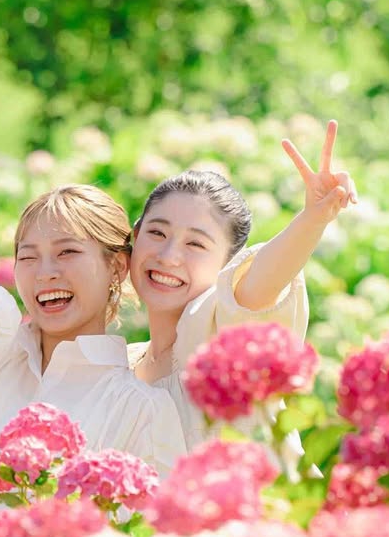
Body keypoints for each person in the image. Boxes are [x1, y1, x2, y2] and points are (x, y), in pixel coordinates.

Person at [0, 167, 186, 502]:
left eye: (66, 252)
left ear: (116, 266)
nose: (44, 273)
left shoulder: (139, 410)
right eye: (27, 256)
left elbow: (145, 533)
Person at [128, 119, 355, 448]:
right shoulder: (121, 363)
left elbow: (261, 283)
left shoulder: (218, 333)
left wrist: (313, 219)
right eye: (157, 233)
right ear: (135, 237)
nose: (168, 255)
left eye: (196, 245)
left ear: (229, 265)